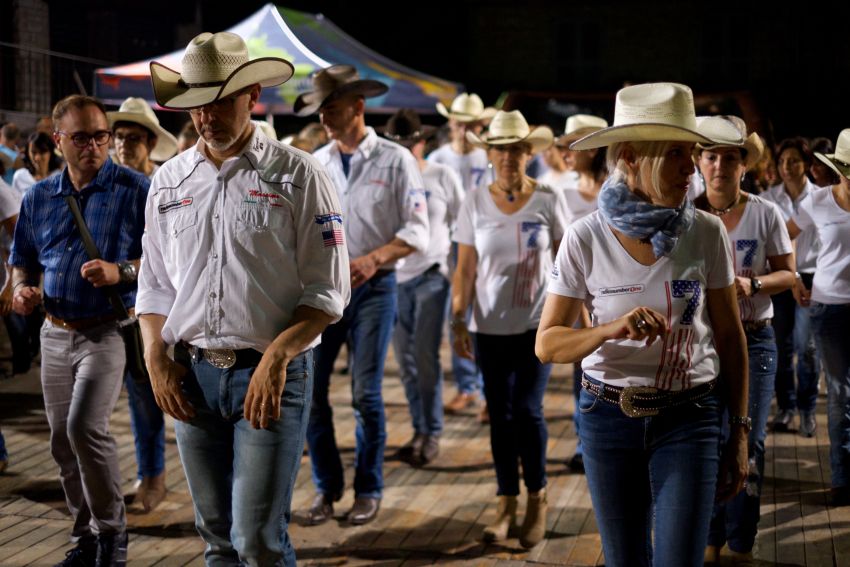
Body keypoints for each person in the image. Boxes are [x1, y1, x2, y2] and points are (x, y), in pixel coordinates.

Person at [137, 32, 350, 566]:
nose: (207, 116)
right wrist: (153, 356)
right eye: (197, 104)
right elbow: (156, 284)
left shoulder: (300, 174)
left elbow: (328, 290)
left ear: (252, 95)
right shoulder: (167, 181)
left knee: (257, 538)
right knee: (214, 535)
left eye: (221, 100)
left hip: (271, 372)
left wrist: (278, 356)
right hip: (191, 372)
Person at [536, 82, 749, 567]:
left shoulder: (707, 231)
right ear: (631, 156)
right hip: (608, 418)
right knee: (624, 559)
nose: (691, 167)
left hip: (690, 417)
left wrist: (738, 432)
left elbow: (732, 338)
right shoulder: (584, 238)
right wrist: (609, 329)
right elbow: (547, 344)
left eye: (692, 153)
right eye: (676, 153)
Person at [10, 94, 149, 567]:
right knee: (60, 441)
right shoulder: (39, 196)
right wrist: (23, 290)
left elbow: (165, 263)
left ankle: (113, 535)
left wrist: (120, 273)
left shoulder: (135, 189)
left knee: (84, 427)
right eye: (81, 137)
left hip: (107, 330)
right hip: (54, 332)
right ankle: (85, 534)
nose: (93, 145)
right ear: (58, 140)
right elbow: (21, 263)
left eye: (100, 135)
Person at [294, 64, 429, 526]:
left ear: (358, 106)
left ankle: (368, 487)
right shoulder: (317, 162)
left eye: (330, 108)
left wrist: (373, 260)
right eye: (320, 110)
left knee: (366, 394)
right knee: (312, 394)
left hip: (375, 288)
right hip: (326, 291)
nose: (325, 118)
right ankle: (327, 488)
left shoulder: (396, 159)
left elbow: (418, 229)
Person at [451, 110, 565, 548]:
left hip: (537, 324)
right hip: (488, 326)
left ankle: (538, 499)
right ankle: (506, 502)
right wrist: (458, 317)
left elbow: (566, 263)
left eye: (516, 149)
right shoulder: (474, 201)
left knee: (529, 411)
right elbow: (465, 269)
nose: (508, 157)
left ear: (527, 153)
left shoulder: (549, 199)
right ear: (491, 154)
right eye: (500, 150)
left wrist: (577, 313)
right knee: (499, 415)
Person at [693, 116, 796, 563]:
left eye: (729, 158)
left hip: (754, 339)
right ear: (699, 163)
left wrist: (751, 286)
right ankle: (710, 536)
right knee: (707, 439)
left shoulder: (764, 212)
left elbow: (789, 274)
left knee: (747, 439)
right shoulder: (687, 212)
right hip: (702, 344)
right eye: (711, 156)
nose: (719, 166)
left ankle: (740, 541)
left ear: (743, 165)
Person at [105, 96, 178, 513]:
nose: (124, 146)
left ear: (150, 143)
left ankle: (154, 478)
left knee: (145, 399)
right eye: (119, 137)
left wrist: (123, 273)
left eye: (133, 138)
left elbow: (162, 259)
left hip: (145, 313)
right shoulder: (106, 185)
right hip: (107, 313)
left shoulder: (155, 188)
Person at [384, 109, 464, 467]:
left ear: (421, 141)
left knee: (425, 357)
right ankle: (420, 428)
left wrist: (460, 277)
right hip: (395, 277)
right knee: (405, 362)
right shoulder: (385, 177)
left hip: (432, 274)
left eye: (410, 142)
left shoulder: (442, 175)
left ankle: (431, 431)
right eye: (398, 143)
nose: (405, 149)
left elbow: (462, 228)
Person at [786, 128, 850, 506]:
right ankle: (843, 477)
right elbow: (787, 235)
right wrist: (793, 276)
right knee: (841, 393)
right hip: (828, 306)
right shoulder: (819, 202)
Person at [429, 93, 496, 418]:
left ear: (479, 126)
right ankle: (467, 386)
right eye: (458, 122)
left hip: (486, 240)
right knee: (457, 312)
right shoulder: (439, 157)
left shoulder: (489, 157)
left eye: (470, 124)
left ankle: (486, 390)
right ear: (451, 123)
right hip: (455, 243)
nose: (463, 129)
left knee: (484, 312)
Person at [552, 113, 609, 473]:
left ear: (593, 149)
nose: (565, 151)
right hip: (575, 295)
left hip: (613, 292)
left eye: (573, 144)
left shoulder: (616, 189)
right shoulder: (561, 190)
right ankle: (583, 437)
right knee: (580, 367)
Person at [763, 137, 821, 436]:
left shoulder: (820, 196)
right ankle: (785, 408)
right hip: (780, 277)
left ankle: (807, 409)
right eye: (783, 161)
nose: (787, 166)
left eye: (793, 161)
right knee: (780, 348)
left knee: (807, 347)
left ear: (807, 165)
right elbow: (776, 244)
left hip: (813, 278)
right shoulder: (769, 198)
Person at [12, 131, 63, 196]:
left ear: (51, 152)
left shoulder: (59, 177)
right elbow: (16, 202)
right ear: (27, 153)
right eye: (33, 152)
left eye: (42, 152)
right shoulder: (20, 176)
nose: (37, 158)